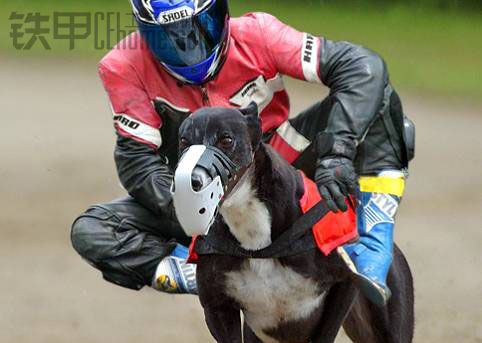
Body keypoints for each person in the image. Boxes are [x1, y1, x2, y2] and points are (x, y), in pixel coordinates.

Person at [71, 0, 414, 306]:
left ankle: (371, 244)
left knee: (379, 98)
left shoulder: (259, 34)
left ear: (221, 13)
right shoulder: (123, 65)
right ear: (144, 34)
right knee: (94, 230)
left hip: (278, 166)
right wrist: (188, 210)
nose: (186, 45)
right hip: (199, 194)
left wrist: (337, 153)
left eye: (197, 28)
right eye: (168, 37)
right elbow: (137, 161)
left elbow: (360, 67)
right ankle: (195, 274)